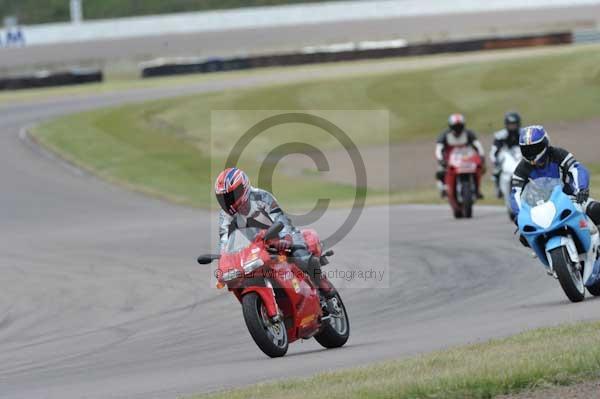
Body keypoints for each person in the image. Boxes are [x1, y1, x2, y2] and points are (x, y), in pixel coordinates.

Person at [214, 167, 335, 298]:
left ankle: (322, 285)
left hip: (282, 237)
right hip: (256, 248)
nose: (229, 202)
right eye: (224, 198)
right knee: (239, 278)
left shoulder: (261, 197)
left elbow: (281, 220)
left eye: (232, 195)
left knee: (301, 258)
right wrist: (224, 260)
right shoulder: (225, 215)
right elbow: (224, 240)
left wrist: (286, 239)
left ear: (243, 187)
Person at [510, 126, 600, 243]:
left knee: (596, 210)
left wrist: (582, 189)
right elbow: (515, 192)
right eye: (527, 150)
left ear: (545, 143)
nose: (532, 153)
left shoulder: (558, 154)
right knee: (524, 237)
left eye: (535, 148)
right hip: (539, 208)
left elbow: (576, 169)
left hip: (570, 199)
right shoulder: (522, 168)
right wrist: (519, 215)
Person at [435, 113, 486, 198]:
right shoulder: (445, 135)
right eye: (455, 127)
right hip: (450, 159)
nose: (458, 129)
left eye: (460, 126)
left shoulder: (468, 134)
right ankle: (444, 188)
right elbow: (439, 149)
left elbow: (477, 145)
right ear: (451, 126)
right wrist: (441, 160)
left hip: (466, 158)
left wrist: (481, 156)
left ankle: (477, 189)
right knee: (440, 172)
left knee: (479, 169)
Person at [490, 112, 522, 198]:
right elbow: (495, 150)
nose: (512, 127)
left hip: (519, 154)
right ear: (506, 124)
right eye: (510, 124)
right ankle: (498, 187)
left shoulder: (523, 133)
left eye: (514, 124)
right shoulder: (500, 135)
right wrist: (495, 159)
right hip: (507, 155)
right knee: (497, 167)